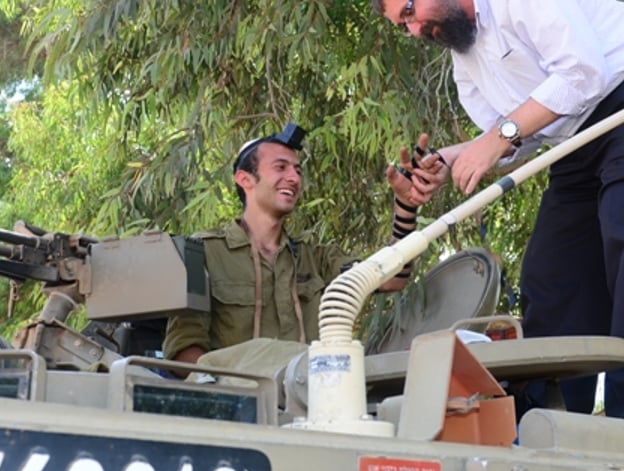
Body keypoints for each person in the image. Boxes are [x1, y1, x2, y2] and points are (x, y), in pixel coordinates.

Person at [372, 0, 624, 460]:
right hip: (573, 142)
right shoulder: (466, 66)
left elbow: (583, 73)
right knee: (553, 279)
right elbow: (517, 140)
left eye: (409, 14)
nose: (415, 32)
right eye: (404, 27)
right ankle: (552, 428)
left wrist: (496, 136)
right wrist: (446, 159)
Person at [162, 122, 432, 364]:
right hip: (235, 409)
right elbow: (184, 351)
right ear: (245, 179)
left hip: (310, 403)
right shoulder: (203, 253)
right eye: (280, 167)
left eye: (297, 170)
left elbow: (392, 279)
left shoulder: (315, 258)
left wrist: (405, 209)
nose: (294, 177)